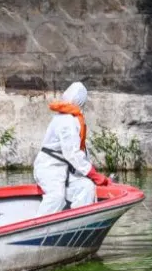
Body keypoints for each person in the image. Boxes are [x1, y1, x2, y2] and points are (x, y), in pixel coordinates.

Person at [33, 81, 111, 216]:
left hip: (65, 171)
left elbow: (81, 153)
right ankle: (35, 228)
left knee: (86, 187)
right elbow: (72, 154)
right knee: (56, 196)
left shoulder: (72, 119)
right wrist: (93, 174)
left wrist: (92, 176)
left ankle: (79, 221)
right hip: (49, 169)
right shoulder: (66, 121)